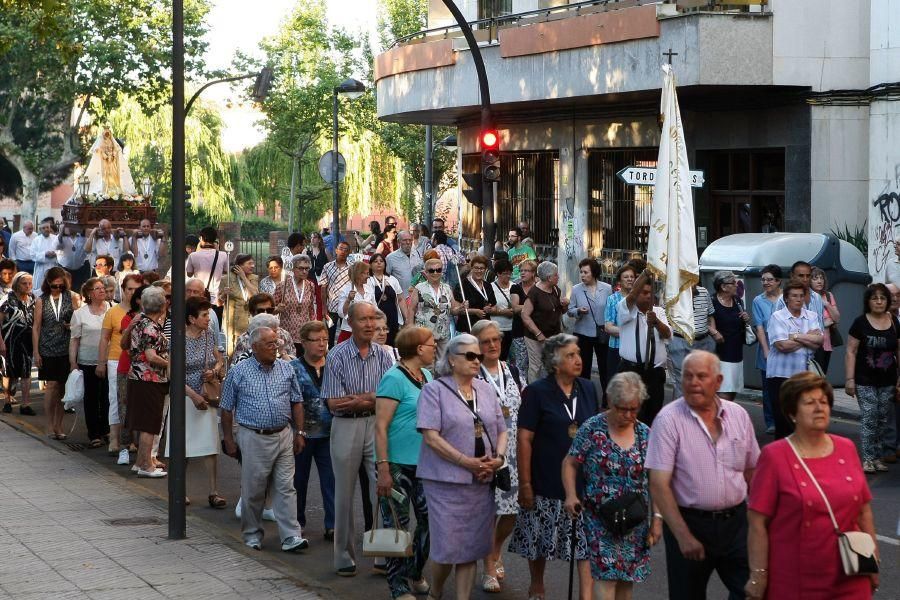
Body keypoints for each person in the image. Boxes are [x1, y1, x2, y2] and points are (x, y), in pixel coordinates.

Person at [745, 372, 879, 600]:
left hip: (851, 572)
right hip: (796, 580)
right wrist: (758, 575)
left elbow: (864, 511)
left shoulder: (846, 448)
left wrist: (873, 560)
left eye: (824, 401)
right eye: (809, 403)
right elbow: (758, 523)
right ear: (792, 413)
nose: (819, 408)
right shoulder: (774, 456)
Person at [647, 351, 760, 600]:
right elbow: (658, 484)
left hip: (737, 523)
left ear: (718, 382)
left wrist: (759, 521)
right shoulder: (668, 420)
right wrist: (683, 536)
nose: (693, 383)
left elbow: (753, 472)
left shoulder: (738, 415)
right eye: (688, 377)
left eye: (701, 376)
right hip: (689, 522)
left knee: (752, 591)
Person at [417, 333, 506, 600]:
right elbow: (430, 436)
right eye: (470, 355)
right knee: (447, 547)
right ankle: (438, 591)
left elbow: (502, 430)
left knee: (471, 547)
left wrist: (499, 459)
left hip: (481, 480)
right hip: (445, 481)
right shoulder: (433, 390)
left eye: (478, 356)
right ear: (452, 360)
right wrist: (465, 461)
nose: (477, 360)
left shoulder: (486, 389)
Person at [509, 333, 597, 600]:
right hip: (545, 477)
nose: (578, 360)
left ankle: (586, 595)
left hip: (582, 480)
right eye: (570, 355)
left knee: (585, 543)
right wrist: (525, 484)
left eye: (578, 354)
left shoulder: (588, 388)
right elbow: (524, 438)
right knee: (539, 538)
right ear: (554, 363)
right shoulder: (536, 392)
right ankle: (537, 584)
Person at [562, 371, 661, 600]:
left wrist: (657, 519)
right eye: (621, 408)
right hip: (599, 518)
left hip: (634, 521)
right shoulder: (592, 428)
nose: (628, 414)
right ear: (609, 401)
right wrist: (570, 495)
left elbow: (656, 480)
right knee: (606, 577)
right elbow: (570, 463)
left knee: (627, 581)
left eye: (633, 409)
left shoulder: (645, 434)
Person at [321, 301, 395, 576]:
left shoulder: (385, 355)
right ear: (349, 322)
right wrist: (373, 398)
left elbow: (389, 397)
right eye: (363, 319)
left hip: (377, 425)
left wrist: (362, 399)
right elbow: (334, 404)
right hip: (346, 427)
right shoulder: (337, 355)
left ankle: (384, 555)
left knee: (383, 489)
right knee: (344, 493)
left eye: (373, 319)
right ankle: (343, 556)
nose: (370, 325)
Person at [220, 326, 309, 553]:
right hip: (253, 436)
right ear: (255, 347)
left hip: (283, 434)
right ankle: (251, 535)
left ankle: (291, 536)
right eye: (270, 344)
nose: (275, 348)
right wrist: (228, 439)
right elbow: (227, 408)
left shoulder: (286, 369)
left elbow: (297, 401)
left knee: (286, 487)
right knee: (254, 488)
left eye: (276, 343)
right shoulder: (239, 371)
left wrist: (299, 432)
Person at [374, 326, 436, 600]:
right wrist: (383, 467)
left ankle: (415, 570)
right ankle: (397, 585)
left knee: (429, 522)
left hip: (425, 463)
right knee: (397, 526)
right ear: (419, 348)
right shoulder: (393, 379)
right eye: (432, 344)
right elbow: (380, 426)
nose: (435, 348)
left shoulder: (428, 376)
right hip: (397, 464)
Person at [472, 319, 523, 593]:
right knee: (489, 510)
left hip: (515, 451)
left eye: (496, 340)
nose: (492, 345)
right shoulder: (472, 374)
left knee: (512, 510)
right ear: (476, 346)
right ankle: (488, 567)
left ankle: (495, 549)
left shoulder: (513, 370)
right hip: (487, 451)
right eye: (485, 341)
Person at [166, 297, 226, 508]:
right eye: (204, 315)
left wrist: (214, 371)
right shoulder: (177, 339)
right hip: (185, 397)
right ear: (191, 318)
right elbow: (172, 374)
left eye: (208, 314)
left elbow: (219, 360)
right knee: (182, 447)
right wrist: (192, 395)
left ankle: (213, 491)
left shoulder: (209, 336)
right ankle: (180, 490)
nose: (208, 319)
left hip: (205, 395)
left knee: (210, 445)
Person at [845, 283, 900, 473]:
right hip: (864, 379)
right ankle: (868, 459)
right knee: (870, 417)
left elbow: (898, 349)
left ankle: (877, 457)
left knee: (882, 419)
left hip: (888, 380)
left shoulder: (893, 321)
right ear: (868, 301)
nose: (879, 301)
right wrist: (849, 379)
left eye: (882, 298)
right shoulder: (860, 322)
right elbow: (851, 351)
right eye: (874, 298)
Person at [291, 321, 336, 541]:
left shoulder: (334, 365)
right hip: (303, 434)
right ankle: (297, 522)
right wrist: (296, 431)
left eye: (325, 340)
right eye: (316, 340)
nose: (321, 344)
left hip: (330, 434)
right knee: (299, 480)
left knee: (331, 480)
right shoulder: (293, 368)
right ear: (303, 342)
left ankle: (333, 524)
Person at [766, 279, 823, 439]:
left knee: (801, 419)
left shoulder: (811, 316)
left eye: (801, 295)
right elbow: (782, 346)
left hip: (803, 376)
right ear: (786, 298)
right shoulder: (778, 317)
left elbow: (818, 342)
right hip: (780, 375)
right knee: (783, 420)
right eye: (794, 296)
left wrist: (795, 336)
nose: (798, 299)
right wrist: (808, 338)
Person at [97, 273, 143, 463]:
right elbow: (104, 339)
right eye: (129, 289)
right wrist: (101, 362)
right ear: (123, 290)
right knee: (115, 400)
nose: (132, 292)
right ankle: (114, 439)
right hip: (116, 359)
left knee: (133, 402)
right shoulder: (113, 312)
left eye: (135, 289)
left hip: (138, 361)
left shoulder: (143, 311)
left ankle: (131, 440)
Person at [616, 269, 671, 426]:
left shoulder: (658, 311)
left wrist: (656, 322)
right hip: (631, 371)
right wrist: (646, 273)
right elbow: (632, 296)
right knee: (630, 414)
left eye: (650, 292)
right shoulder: (625, 309)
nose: (648, 295)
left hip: (654, 373)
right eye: (643, 292)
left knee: (653, 416)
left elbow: (667, 334)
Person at [125, 286, 169, 477]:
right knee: (150, 423)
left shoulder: (139, 321)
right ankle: (146, 467)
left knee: (144, 422)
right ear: (162, 307)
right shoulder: (151, 328)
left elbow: (123, 344)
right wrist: (170, 364)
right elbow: (151, 356)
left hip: (136, 376)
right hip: (150, 378)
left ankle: (140, 462)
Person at [33, 266, 78, 439]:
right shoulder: (41, 300)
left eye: (61, 286)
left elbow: (77, 321)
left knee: (62, 388)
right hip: (47, 347)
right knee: (51, 386)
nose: (58, 289)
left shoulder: (72, 297)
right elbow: (36, 327)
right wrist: (36, 352)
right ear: (48, 284)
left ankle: (59, 426)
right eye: (54, 286)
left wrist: (71, 325)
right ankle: (50, 424)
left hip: (66, 347)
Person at [69, 277, 110, 448]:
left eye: (103, 288)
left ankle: (106, 429)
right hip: (88, 360)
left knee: (108, 396)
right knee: (91, 398)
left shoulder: (112, 309)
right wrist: (73, 362)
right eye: (97, 288)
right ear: (89, 293)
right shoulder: (80, 314)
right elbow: (74, 340)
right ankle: (94, 433)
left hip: (109, 360)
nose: (102, 291)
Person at [568, 258, 612, 392]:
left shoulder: (606, 288)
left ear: (594, 273)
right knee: (583, 367)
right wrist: (578, 311)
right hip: (582, 333)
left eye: (586, 272)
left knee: (605, 366)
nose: (582, 275)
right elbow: (570, 311)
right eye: (581, 272)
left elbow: (610, 310)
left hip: (602, 333)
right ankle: (584, 396)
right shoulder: (576, 289)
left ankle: (607, 398)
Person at [405, 257, 463, 358]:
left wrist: (461, 308)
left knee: (443, 363)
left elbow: (453, 310)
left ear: (442, 271)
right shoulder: (419, 288)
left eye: (438, 270)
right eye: (431, 270)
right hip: (424, 332)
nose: (435, 273)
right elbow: (411, 309)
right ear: (426, 272)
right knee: (426, 363)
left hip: (443, 332)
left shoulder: (447, 288)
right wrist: (410, 327)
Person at [520, 261, 568, 383]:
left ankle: (551, 390)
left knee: (552, 365)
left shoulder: (556, 289)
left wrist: (565, 305)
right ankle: (533, 394)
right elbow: (525, 315)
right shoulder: (535, 292)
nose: (558, 277)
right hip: (534, 337)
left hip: (553, 335)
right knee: (536, 366)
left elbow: (560, 312)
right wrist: (538, 333)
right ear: (549, 278)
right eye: (556, 275)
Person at [666, 283, 716, 399]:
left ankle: (699, 411)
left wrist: (714, 332)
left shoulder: (703, 292)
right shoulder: (672, 294)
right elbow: (664, 318)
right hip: (680, 341)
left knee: (703, 378)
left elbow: (710, 315)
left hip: (703, 342)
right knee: (683, 379)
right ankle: (681, 413)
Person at [708, 271, 750, 401]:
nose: (737, 285)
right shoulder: (712, 301)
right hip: (720, 353)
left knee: (732, 392)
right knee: (722, 392)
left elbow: (741, 324)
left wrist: (746, 318)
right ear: (723, 286)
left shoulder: (737, 300)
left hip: (736, 352)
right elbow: (703, 322)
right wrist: (714, 331)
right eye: (733, 283)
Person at [752, 264, 783, 435]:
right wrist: (765, 350)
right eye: (763, 280)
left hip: (786, 347)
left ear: (778, 281)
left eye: (770, 279)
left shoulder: (787, 297)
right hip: (767, 346)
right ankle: (771, 421)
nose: (766, 283)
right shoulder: (758, 300)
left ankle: (785, 418)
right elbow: (759, 328)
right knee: (768, 387)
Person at [0, 272, 35, 415]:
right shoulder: (7, 299)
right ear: (16, 284)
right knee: (9, 371)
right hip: (9, 340)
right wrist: (1, 343)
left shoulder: (33, 299)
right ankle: (7, 400)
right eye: (24, 283)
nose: (27, 286)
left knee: (26, 371)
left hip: (27, 341)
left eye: (29, 283)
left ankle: (25, 404)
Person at [229, 300, 295, 367]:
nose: (277, 333)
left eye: (269, 310)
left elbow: (294, 367)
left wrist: (283, 352)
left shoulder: (284, 335)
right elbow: (237, 368)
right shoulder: (245, 339)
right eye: (273, 331)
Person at [220, 253, 258, 354]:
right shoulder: (226, 279)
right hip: (233, 321)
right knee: (232, 351)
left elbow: (255, 295)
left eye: (253, 263)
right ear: (239, 266)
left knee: (249, 350)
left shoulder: (253, 278)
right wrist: (224, 294)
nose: (253, 266)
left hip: (249, 320)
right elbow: (218, 302)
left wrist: (244, 277)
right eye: (249, 263)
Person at [604, 263, 638, 377]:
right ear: (619, 281)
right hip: (616, 349)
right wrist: (630, 332)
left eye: (632, 277)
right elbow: (608, 327)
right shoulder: (613, 299)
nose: (629, 279)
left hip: (636, 349)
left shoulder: (640, 299)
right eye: (626, 277)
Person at [185, 226, 229, 307]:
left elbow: (189, 274)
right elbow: (226, 272)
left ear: (201, 238)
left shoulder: (193, 255)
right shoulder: (223, 255)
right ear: (215, 239)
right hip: (217, 299)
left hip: (199, 295)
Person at [488, 259, 522, 362]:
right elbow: (489, 309)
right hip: (498, 327)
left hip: (513, 328)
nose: (508, 276)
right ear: (498, 273)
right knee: (499, 356)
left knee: (513, 358)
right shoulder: (490, 287)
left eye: (509, 273)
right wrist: (503, 312)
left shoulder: (515, 286)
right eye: (504, 273)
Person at [319, 240, 351, 347]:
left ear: (349, 253)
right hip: (331, 307)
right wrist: (324, 307)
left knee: (346, 335)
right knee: (330, 335)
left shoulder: (352, 268)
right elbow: (323, 287)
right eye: (341, 249)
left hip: (346, 307)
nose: (343, 252)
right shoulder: (327, 267)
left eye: (346, 250)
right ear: (336, 250)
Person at [454, 254, 496, 335]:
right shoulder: (462, 285)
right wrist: (475, 311)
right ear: (471, 268)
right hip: (467, 327)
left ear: (485, 270)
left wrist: (490, 309)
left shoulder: (488, 286)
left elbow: (494, 306)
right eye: (476, 268)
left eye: (482, 268)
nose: (479, 271)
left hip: (484, 327)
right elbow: (457, 309)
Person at [368, 253, 404, 345]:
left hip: (392, 317)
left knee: (392, 343)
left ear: (385, 264)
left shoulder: (392, 279)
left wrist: (406, 317)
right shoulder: (368, 280)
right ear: (370, 265)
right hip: (376, 317)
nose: (379, 263)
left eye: (381, 261)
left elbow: (400, 299)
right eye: (375, 261)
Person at [810, 266, 841, 374]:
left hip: (827, 342)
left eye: (821, 278)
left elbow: (836, 318)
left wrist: (827, 304)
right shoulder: (806, 297)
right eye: (815, 278)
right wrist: (824, 323)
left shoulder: (828, 295)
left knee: (822, 373)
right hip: (811, 342)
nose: (819, 281)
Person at [336, 261, 374, 345]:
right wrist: (348, 300)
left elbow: (375, 308)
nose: (368, 276)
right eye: (366, 273)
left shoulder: (369, 289)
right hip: (349, 331)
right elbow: (341, 313)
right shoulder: (345, 290)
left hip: (366, 331)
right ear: (358, 274)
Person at [186, 277, 224, 352]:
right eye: (188, 291)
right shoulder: (177, 310)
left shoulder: (211, 313)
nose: (191, 294)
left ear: (202, 294)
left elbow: (217, 342)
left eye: (195, 292)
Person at [386, 231, 423, 299]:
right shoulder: (390, 258)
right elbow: (386, 278)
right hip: (401, 299)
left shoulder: (417, 254)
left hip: (418, 297)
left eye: (410, 240)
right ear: (398, 242)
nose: (408, 242)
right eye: (405, 240)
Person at [30, 218, 59, 297]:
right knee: (40, 289)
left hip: (53, 266)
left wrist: (55, 254)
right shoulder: (36, 240)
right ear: (40, 229)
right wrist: (44, 254)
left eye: (47, 227)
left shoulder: (55, 238)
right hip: (41, 268)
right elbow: (32, 255)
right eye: (44, 228)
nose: (46, 229)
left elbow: (62, 252)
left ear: (50, 228)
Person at [57, 225, 90, 291]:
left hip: (80, 269)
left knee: (81, 290)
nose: (71, 228)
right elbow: (58, 244)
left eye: (74, 226)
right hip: (65, 269)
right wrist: (61, 231)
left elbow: (88, 250)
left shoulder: (83, 237)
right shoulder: (61, 237)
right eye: (69, 226)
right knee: (65, 290)